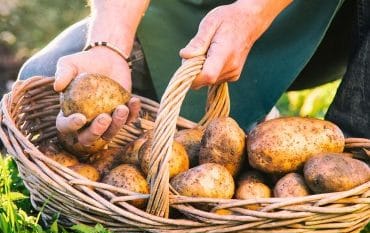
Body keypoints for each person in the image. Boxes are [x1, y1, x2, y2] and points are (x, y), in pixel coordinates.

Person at [18, 0, 369, 148]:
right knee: (45, 80)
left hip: (325, 15)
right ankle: (239, 118)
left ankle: (356, 159)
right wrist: (109, 45)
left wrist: (251, 13)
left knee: (343, 173)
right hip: (187, 14)